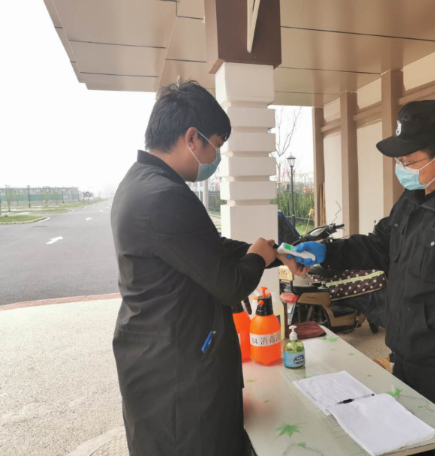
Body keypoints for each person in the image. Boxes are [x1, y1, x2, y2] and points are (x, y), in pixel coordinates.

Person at [292, 99, 435, 455]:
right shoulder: (413, 199)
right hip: (406, 356)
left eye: (408, 161)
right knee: (412, 445)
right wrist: (328, 251)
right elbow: (380, 245)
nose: (401, 168)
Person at [110, 80, 305, 456]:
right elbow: (230, 285)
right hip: (178, 375)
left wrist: (272, 252)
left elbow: (203, 249)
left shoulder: (141, 183)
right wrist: (258, 257)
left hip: (157, 356)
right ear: (192, 138)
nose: (216, 157)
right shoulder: (165, 197)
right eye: (216, 144)